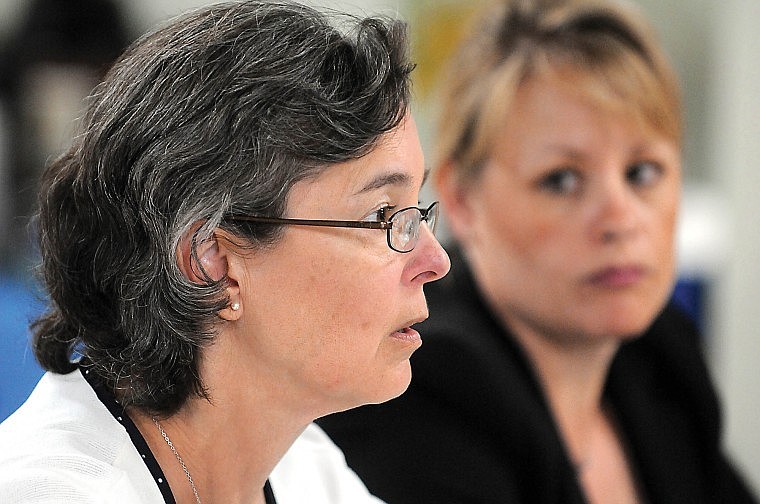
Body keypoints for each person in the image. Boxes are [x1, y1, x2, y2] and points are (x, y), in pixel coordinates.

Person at [0, 1, 450, 503]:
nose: (436, 260)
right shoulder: (50, 493)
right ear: (213, 260)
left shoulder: (304, 466)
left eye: (418, 212)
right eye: (380, 217)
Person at [317, 0, 759, 502]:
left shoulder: (660, 356)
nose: (620, 219)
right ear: (463, 200)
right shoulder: (423, 387)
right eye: (562, 180)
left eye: (642, 172)